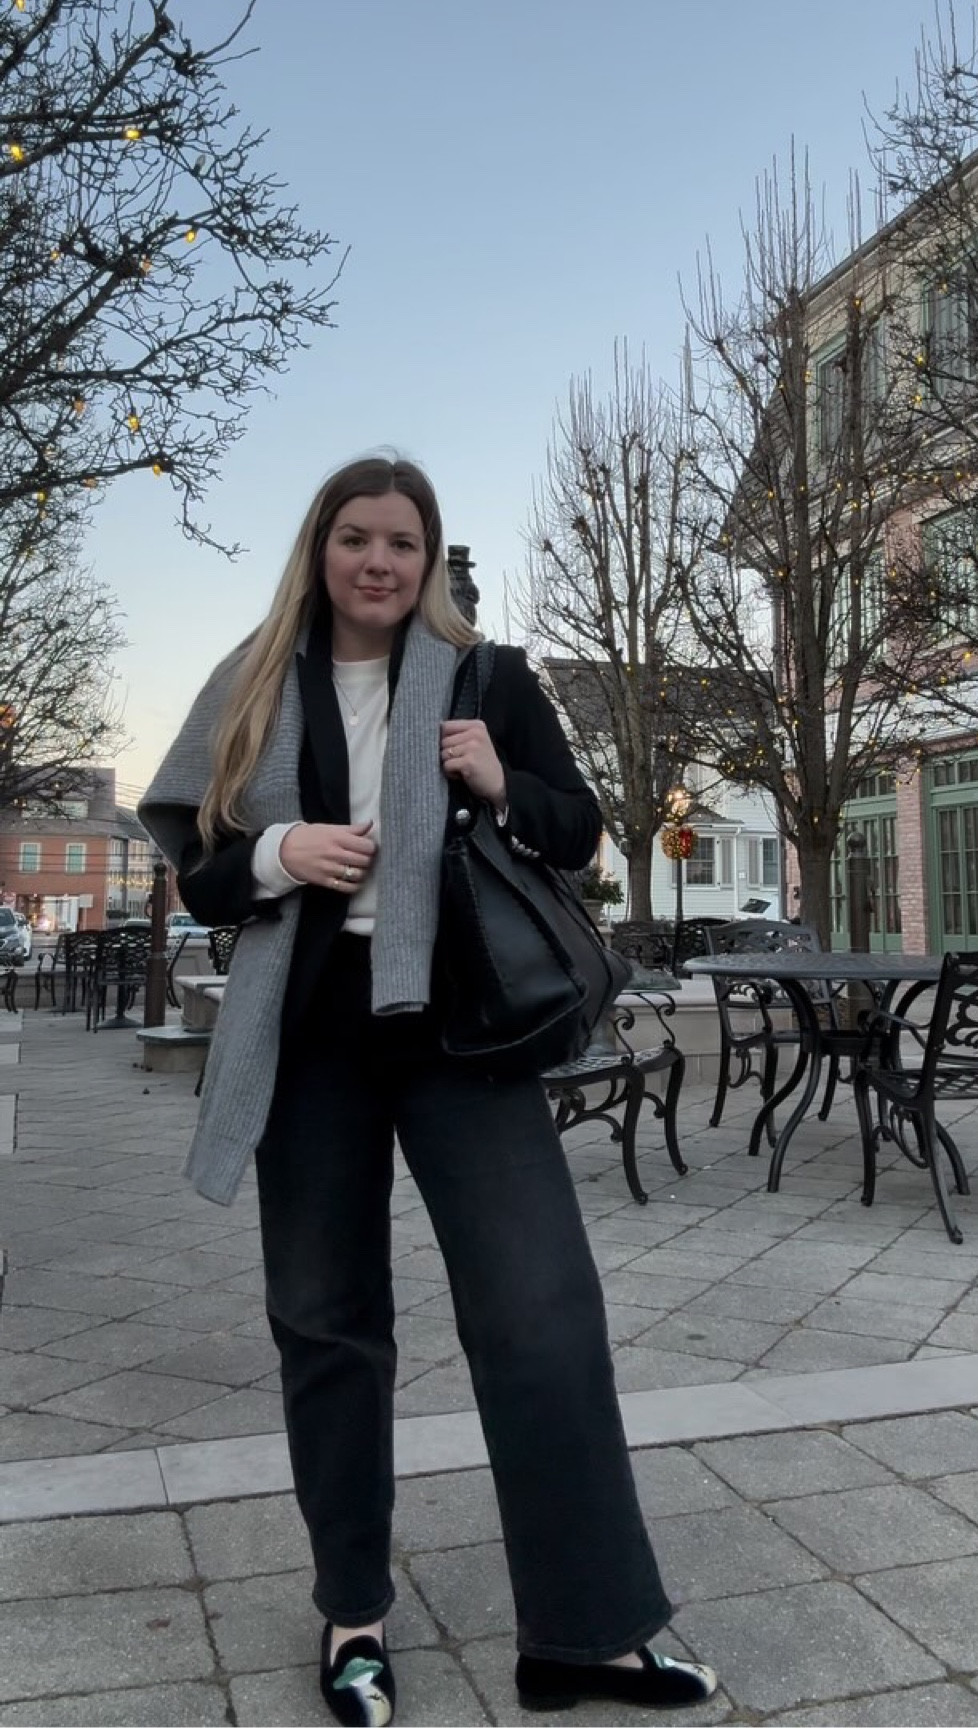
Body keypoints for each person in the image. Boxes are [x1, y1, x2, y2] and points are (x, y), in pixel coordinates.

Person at [139, 455, 718, 1727]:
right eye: (356, 538)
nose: (379, 563)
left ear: (431, 554)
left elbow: (577, 830)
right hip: (312, 1035)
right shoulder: (248, 683)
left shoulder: (489, 678)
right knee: (328, 1324)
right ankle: (353, 1615)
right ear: (321, 547)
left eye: (403, 541)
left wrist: (501, 781)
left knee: (543, 1316)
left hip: (463, 1026)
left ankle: (590, 1633)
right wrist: (281, 852)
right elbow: (205, 871)